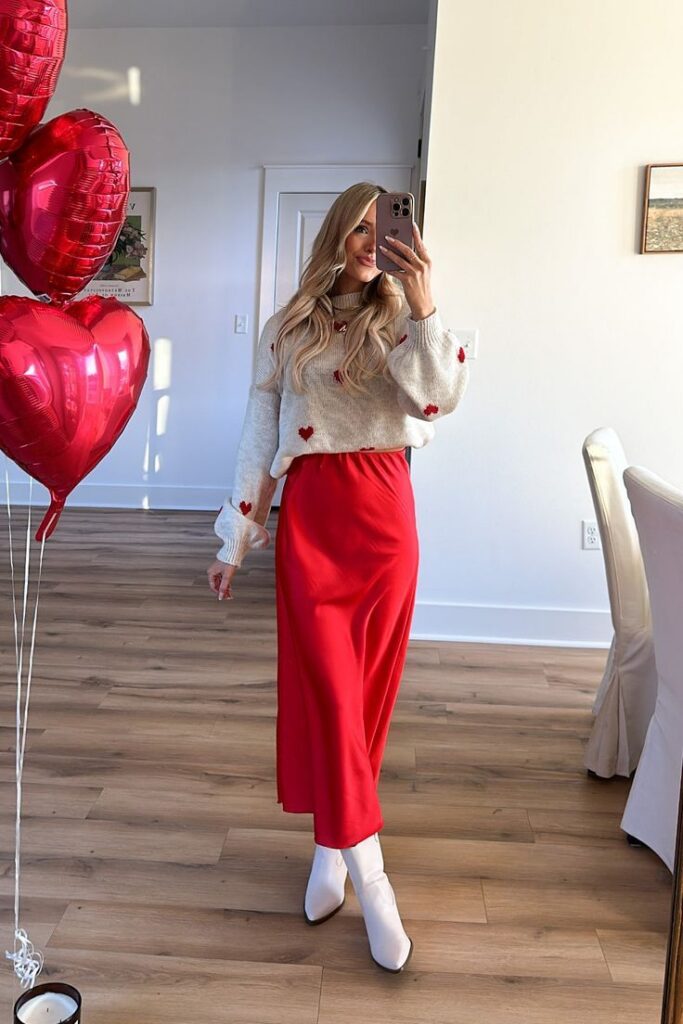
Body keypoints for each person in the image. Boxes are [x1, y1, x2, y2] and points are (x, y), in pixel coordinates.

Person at [207, 181, 469, 972]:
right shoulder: (289, 324)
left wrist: (424, 304)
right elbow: (260, 426)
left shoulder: (405, 319)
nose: (367, 240)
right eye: (356, 227)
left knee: (366, 705)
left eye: (379, 229)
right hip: (314, 516)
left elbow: (437, 402)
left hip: (386, 515)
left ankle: (330, 851)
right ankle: (372, 877)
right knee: (327, 690)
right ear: (335, 232)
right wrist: (239, 535)